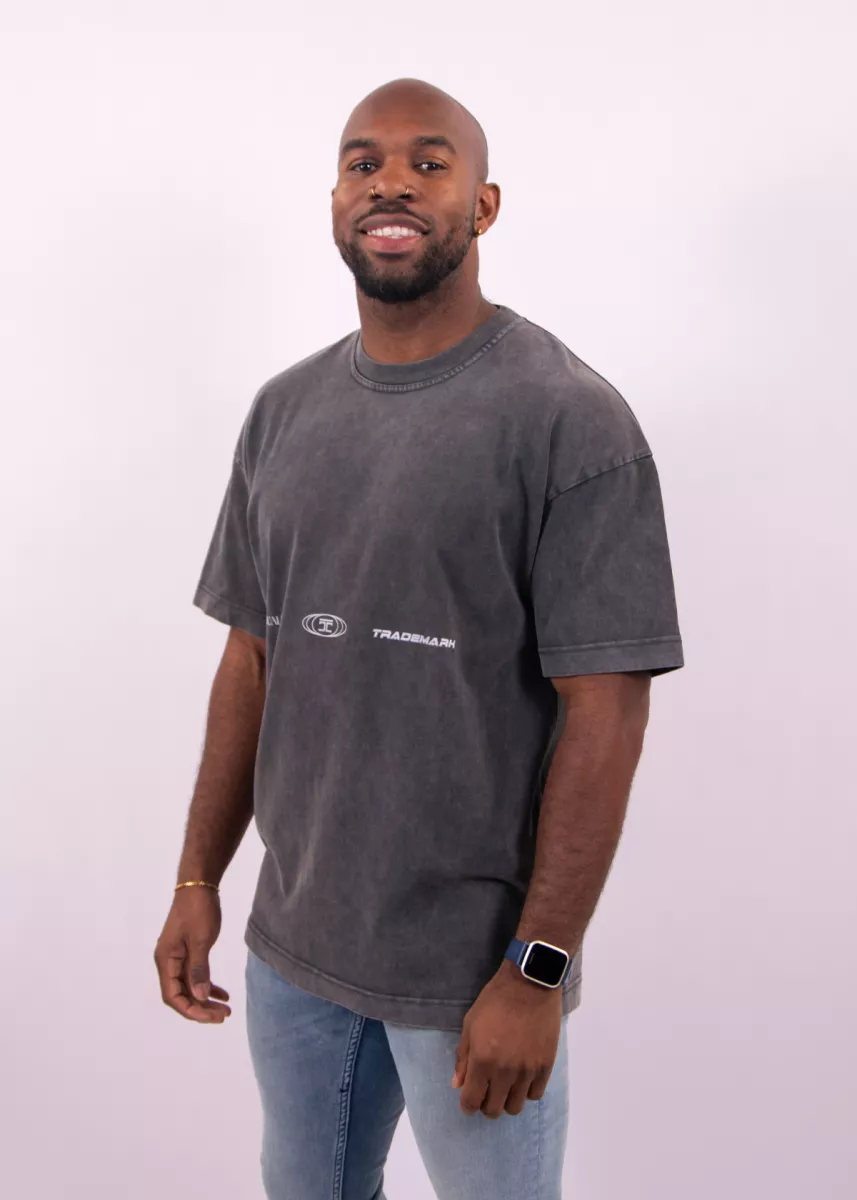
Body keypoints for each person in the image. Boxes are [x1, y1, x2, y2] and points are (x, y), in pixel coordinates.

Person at [154, 76, 685, 1199]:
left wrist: (535, 971)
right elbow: (251, 655)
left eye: (427, 163)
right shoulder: (283, 411)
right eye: (364, 163)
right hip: (294, 952)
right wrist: (199, 875)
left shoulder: (567, 418)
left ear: (481, 205)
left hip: (471, 975)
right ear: (334, 200)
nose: (389, 182)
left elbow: (607, 714)